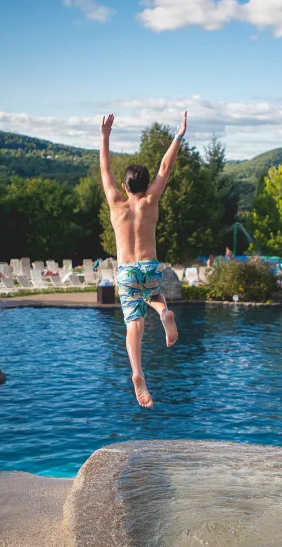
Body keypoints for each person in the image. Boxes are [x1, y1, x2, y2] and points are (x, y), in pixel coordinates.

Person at [99, 111, 186, 408]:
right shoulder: (151, 202)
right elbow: (165, 166)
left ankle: (138, 373)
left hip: (126, 272)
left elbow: (106, 170)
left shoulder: (116, 204)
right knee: (155, 295)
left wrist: (105, 136)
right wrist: (178, 135)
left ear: (124, 187)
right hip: (150, 267)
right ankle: (163, 312)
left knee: (133, 325)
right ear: (147, 186)